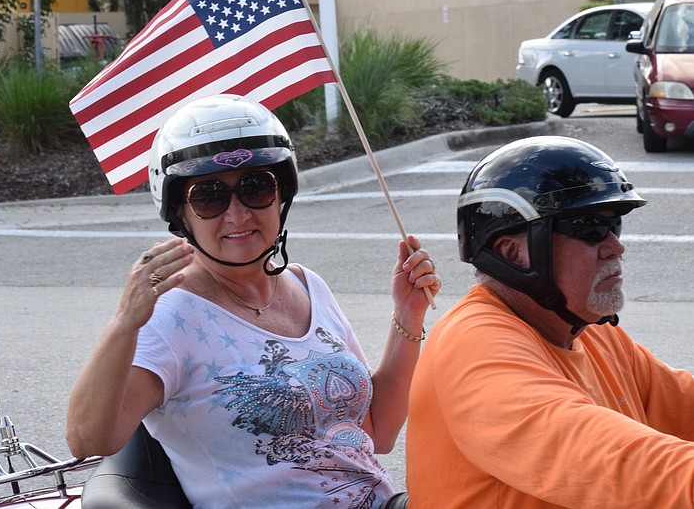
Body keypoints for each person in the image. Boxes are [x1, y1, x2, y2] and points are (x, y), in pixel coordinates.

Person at [67, 94, 440, 508]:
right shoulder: (169, 315)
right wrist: (124, 323)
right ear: (180, 213)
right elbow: (89, 438)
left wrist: (407, 315)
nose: (238, 214)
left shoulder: (308, 284)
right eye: (209, 197)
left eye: (256, 188)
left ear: (282, 195)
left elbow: (379, 431)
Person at [406, 135, 694, 508]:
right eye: (589, 229)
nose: (615, 247)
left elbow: (680, 401)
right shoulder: (476, 347)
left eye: (613, 227)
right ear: (513, 252)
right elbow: (612, 461)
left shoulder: (590, 335)